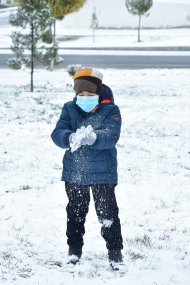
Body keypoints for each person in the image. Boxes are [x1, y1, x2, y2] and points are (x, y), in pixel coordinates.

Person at [51, 68, 124, 270]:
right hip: (75, 171)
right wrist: (69, 137)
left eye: (90, 95)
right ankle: (74, 250)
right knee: (75, 212)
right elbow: (57, 132)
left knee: (108, 214)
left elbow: (112, 136)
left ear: (99, 94)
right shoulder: (69, 108)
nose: (85, 98)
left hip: (103, 172)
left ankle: (115, 254)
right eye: (80, 94)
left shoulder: (111, 110)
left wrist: (94, 138)